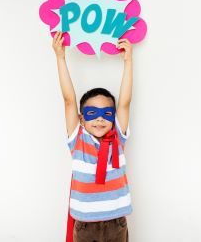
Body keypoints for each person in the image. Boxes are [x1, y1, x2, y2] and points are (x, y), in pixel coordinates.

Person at [52, 31, 133, 242]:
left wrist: (128, 61)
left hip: (116, 222)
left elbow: (124, 102)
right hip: (85, 224)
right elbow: (69, 100)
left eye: (106, 113)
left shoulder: (118, 138)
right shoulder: (77, 140)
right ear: (81, 119)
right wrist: (60, 57)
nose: (99, 120)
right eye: (92, 114)